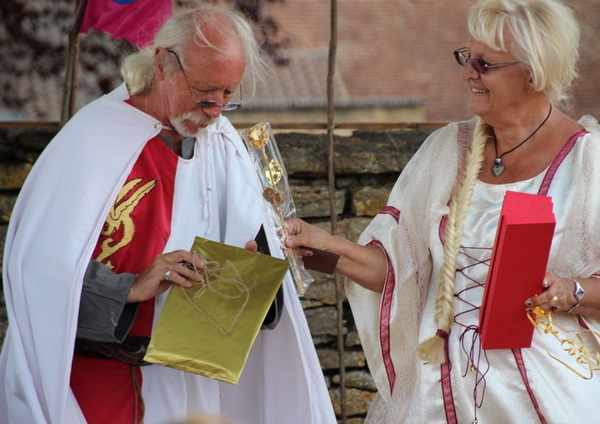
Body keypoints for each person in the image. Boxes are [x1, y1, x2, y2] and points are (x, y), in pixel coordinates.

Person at [0, 6, 336, 424]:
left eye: (229, 95)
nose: (216, 110)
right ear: (162, 65)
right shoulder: (91, 140)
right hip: (94, 382)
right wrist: (129, 288)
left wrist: (251, 273)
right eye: (205, 92)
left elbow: (261, 286)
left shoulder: (224, 145)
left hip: (190, 384)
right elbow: (37, 277)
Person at [285, 0, 600, 422]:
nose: (466, 72)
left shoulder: (588, 163)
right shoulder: (445, 151)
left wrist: (570, 290)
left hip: (541, 399)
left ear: (533, 70)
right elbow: (397, 268)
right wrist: (316, 242)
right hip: (435, 397)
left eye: (483, 64)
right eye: (465, 58)